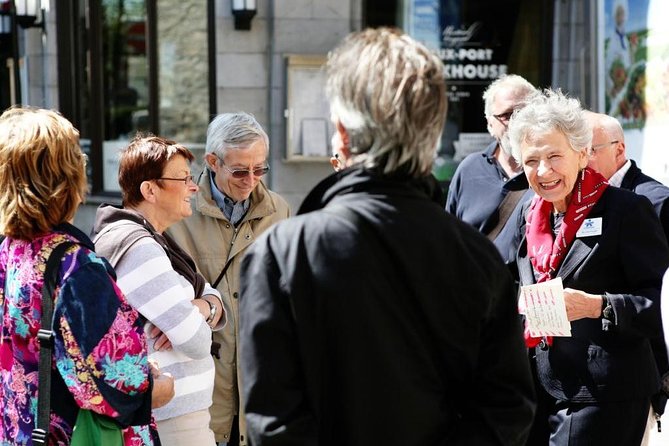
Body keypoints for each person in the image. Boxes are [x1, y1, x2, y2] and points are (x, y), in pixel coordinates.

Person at [238, 27, 536, 445]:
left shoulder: (281, 254)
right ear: (433, 137)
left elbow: (272, 423)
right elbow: (506, 410)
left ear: (341, 132)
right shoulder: (476, 258)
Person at [0, 107, 174, 445]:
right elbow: (117, 381)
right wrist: (157, 386)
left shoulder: (9, 250)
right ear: (66, 177)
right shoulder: (75, 267)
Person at [507, 89, 669, 445]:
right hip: (537, 387)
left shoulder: (626, 211)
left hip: (604, 392)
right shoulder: (527, 212)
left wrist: (597, 306)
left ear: (581, 155)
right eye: (531, 161)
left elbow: (657, 305)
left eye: (554, 156)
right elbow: (500, 277)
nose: (543, 171)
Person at [166, 112, 290, 446]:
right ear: (212, 162)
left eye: (260, 168)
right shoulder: (179, 214)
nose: (252, 180)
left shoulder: (280, 210)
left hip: (260, 382)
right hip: (201, 382)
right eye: (239, 170)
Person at [92, 135, 226, 445]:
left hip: (177, 415)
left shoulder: (157, 241)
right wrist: (202, 312)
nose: (193, 188)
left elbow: (214, 299)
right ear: (149, 190)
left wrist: (200, 308)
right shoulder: (140, 249)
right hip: (172, 422)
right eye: (182, 179)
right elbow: (196, 341)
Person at [585, 110, 669, 442]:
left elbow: (657, 294)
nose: (583, 159)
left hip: (641, 368)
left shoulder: (655, 200)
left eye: (590, 149)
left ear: (619, 149)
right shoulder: (581, 200)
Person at [445, 74, 537, 262]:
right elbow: (448, 241)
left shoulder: (550, 172)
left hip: (528, 289)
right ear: (490, 123)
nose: (516, 122)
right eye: (507, 115)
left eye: (524, 113)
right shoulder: (469, 170)